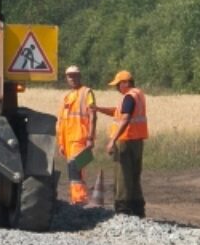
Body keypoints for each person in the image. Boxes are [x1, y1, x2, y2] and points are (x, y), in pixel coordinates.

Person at [96, 70, 149, 217]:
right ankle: (138, 209)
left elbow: (125, 118)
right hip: (137, 141)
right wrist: (98, 109)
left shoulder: (129, 97)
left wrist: (113, 139)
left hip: (125, 141)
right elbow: (118, 112)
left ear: (126, 83)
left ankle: (123, 209)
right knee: (134, 175)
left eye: (118, 85)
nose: (116, 88)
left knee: (122, 176)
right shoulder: (138, 95)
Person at [56, 65, 97, 205]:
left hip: (81, 139)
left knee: (76, 170)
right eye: (69, 76)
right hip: (68, 142)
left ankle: (80, 200)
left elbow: (93, 116)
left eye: (75, 75)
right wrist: (61, 143)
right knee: (74, 172)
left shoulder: (87, 93)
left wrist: (90, 138)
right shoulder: (67, 97)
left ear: (80, 76)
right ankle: (77, 199)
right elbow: (62, 122)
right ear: (66, 78)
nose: (72, 78)